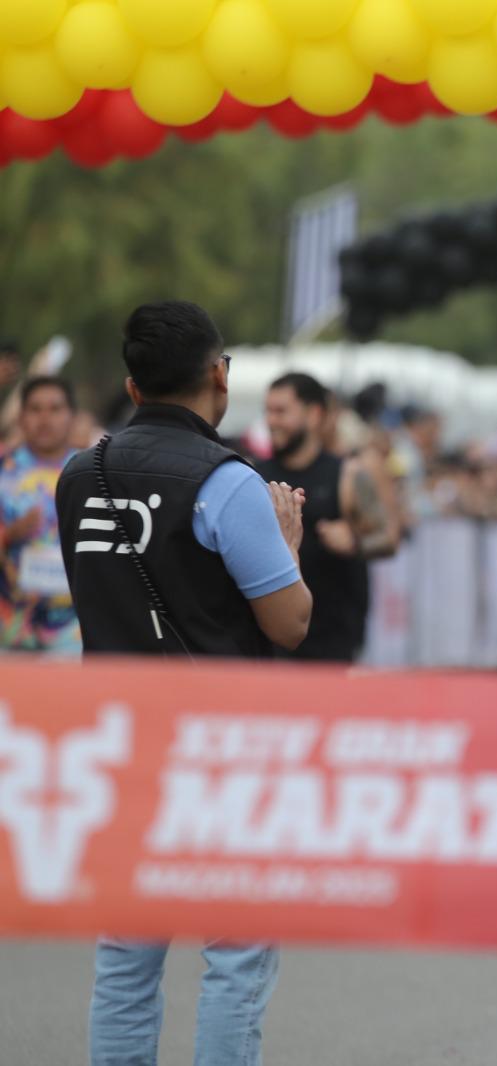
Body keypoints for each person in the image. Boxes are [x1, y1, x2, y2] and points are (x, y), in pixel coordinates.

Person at [56, 301, 312, 1066]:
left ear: (132, 388)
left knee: (126, 951)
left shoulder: (77, 476)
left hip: (116, 734)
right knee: (235, 948)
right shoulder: (228, 482)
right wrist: (288, 545)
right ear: (218, 375)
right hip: (218, 737)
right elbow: (289, 624)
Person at [256, 371, 400, 663]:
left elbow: (389, 538)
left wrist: (355, 542)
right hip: (273, 640)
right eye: (268, 411)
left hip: (333, 641)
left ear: (313, 415)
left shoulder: (347, 474)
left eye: (281, 411)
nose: (271, 421)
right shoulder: (254, 475)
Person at [0, 376, 82, 654]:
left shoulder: (92, 472)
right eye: (35, 409)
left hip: (72, 630)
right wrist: (9, 535)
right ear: (21, 417)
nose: (45, 418)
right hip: (10, 627)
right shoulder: (3, 468)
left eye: (55, 409)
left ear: (72, 416)